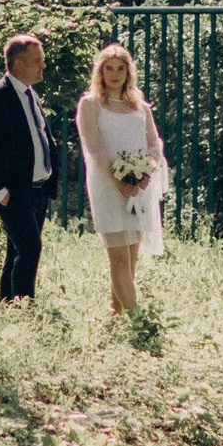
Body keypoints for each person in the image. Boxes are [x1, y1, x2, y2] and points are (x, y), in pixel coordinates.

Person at [76, 39, 169, 317]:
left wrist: (144, 172)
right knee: (117, 254)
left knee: (131, 254)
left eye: (120, 68)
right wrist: (118, 179)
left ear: (129, 72)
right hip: (107, 184)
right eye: (109, 68)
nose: (114, 74)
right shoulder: (90, 104)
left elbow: (154, 143)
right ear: (100, 72)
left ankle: (116, 311)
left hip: (138, 186)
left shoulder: (139, 105)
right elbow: (94, 148)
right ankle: (137, 319)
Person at [0, 30, 60, 303]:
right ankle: (24, 309)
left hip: (38, 190)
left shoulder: (31, 95)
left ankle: (7, 305)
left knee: (17, 250)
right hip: (13, 191)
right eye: (38, 60)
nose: (43, 65)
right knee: (31, 249)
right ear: (19, 64)